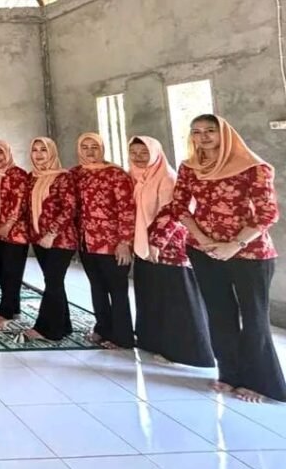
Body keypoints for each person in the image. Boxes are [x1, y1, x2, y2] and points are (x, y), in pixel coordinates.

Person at [171, 115, 285, 402]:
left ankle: (261, 383)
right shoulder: (190, 168)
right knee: (219, 313)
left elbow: (267, 213)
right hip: (205, 250)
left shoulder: (253, 167)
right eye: (197, 132)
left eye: (210, 131)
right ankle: (230, 373)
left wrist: (235, 244)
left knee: (254, 317)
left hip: (249, 252)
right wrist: (202, 239)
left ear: (225, 134)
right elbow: (179, 206)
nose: (204, 136)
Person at [128, 135, 214, 367]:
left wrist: (157, 242)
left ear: (155, 153)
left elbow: (173, 212)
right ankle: (153, 342)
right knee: (152, 295)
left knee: (177, 299)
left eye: (144, 153)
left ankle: (187, 352)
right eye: (134, 152)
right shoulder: (136, 177)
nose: (138, 157)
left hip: (169, 247)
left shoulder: (167, 177)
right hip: (143, 244)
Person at [71, 132, 135, 349]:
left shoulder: (116, 174)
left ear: (102, 149)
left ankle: (123, 337)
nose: (90, 152)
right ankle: (102, 329)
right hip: (86, 242)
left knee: (117, 290)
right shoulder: (76, 174)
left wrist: (125, 242)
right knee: (97, 287)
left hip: (112, 243)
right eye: (85, 147)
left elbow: (127, 209)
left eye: (94, 147)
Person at [25, 137, 77, 342]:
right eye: (35, 150)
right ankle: (64, 325)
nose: (39, 154)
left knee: (53, 282)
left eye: (43, 150)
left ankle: (48, 329)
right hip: (39, 239)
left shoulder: (63, 177)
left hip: (60, 240)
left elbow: (69, 208)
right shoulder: (32, 177)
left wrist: (52, 233)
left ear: (52, 153)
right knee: (53, 281)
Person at [0, 140, 31, 330]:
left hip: (16, 231)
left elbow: (21, 202)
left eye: (0, 152)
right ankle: (14, 308)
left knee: (12, 273)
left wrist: (9, 223)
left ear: (8, 153)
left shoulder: (18, 174)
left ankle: (5, 313)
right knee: (2, 272)